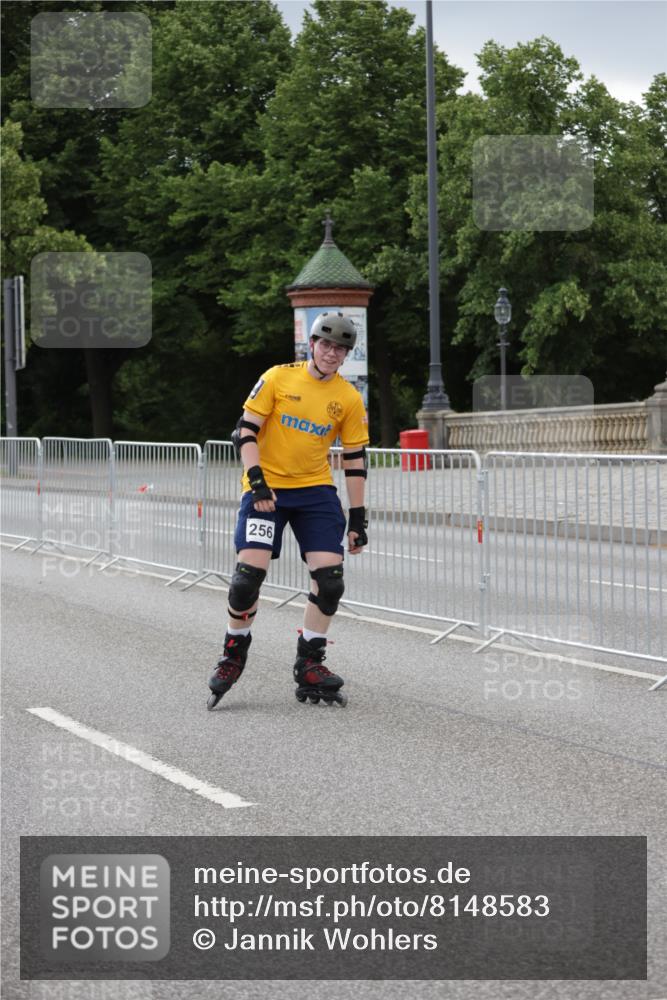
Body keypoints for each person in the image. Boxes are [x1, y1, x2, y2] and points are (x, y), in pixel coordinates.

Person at [207, 311, 369, 708]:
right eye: (326, 344)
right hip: (267, 490)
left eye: (340, 349)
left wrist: (358, 517)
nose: (332, 353)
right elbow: (244, 432)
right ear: (311, 345)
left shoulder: (347, 398)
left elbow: (355, 459)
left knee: (330, 581)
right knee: (247, 579)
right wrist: (257, 480)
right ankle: (234, 652)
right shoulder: (278, 377)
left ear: (346, 355)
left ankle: (310, 663)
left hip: (315, 492)